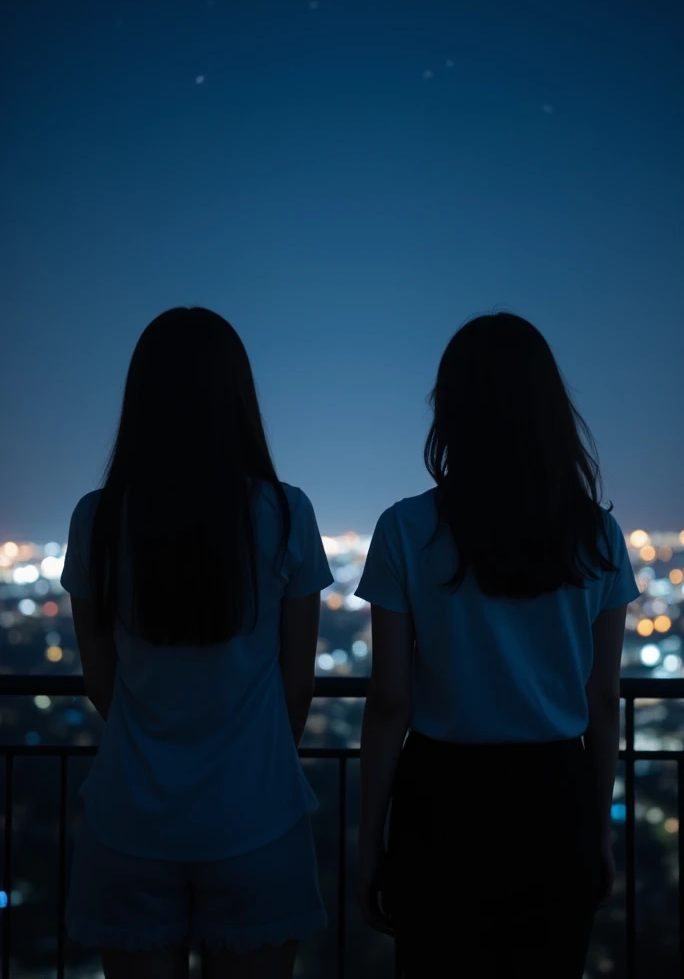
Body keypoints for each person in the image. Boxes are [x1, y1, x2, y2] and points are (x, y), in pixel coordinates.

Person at [355, 312, 639, 978]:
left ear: (450, 410)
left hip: (443, 802)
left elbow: (390, 700)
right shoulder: (598, 537)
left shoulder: (404, 529)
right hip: (555, 796)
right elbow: (602, 699)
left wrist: (371, 842)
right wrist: (597, 828)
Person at [61, 308, 332, 979]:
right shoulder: (287, 513)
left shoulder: (98, 519)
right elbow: (297, 683)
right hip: (257, 817)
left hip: (131, 818)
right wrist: (258, 755)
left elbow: (101, 683)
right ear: (237, 398)